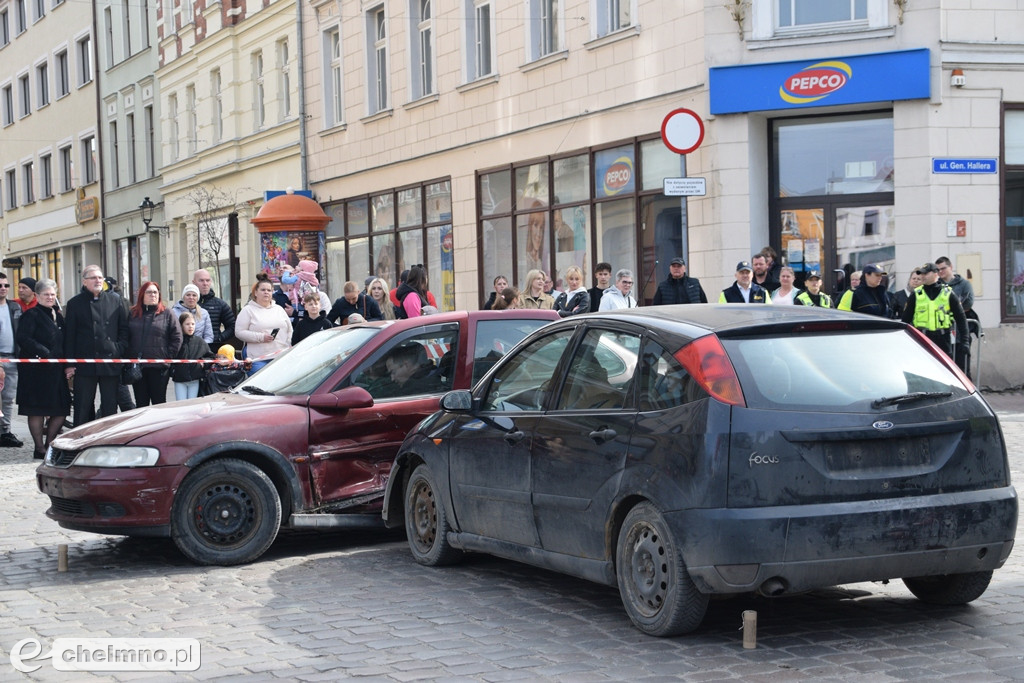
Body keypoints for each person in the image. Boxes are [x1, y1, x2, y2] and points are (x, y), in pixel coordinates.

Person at [63, 265, 130, 426]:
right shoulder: (74, 303)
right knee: (83, 406)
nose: (98, 280)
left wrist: (118, 348)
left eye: (100, 277)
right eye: (93, 277)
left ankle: (108, 439)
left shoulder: (116, 300)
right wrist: (69, 364)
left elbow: (124, 329)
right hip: (85, 362)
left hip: (109, 360)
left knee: (109, 407)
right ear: (85, 281)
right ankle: (80, 441)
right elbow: (69, 336)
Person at [15, 279, 70, 459]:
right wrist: (45, 353)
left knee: (61, 408)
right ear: (37, 296)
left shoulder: (58, 315)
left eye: (53, 294)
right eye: (46, 294)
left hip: (56, 371)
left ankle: (50, 445)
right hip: (35, 371)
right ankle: (39, 448)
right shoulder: (31, 315)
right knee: (36, 409)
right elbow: (24, 338)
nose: (50, 297)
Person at [902, 262, 970, 369]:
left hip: (943, 339)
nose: (923, 276)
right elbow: (905, 320)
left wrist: (965, 341)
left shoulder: (948, 294)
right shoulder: (916, 294)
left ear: (935, 274)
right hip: (922, 338)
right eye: (921, 274)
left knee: (945, 370)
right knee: (924, 370)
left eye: (926, 273)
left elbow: (961, 319)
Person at [127, 281, 183, 407]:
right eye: (149, 292)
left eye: (155, 292)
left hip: (159, 368)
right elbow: (126, 336)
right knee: (141, 404)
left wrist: (167, 357)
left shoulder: (167, 313)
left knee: (159, 403)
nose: (153, 295)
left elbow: (177, 337)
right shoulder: (133, 314)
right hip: (138, 367)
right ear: (142, 295)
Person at [235, 274, 293, 373]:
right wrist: (261, 337)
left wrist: (288, 345)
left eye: (269, 290)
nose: (266, 292)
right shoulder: (248, 310)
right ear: (256, 293)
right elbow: (239, 332)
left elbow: (289, 330)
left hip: (280, 356)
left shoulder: (279, 309)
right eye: (263, 290)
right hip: (258, 358)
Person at [0, 272, 23, 447]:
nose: (3, 288)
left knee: (8, 399)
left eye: (6, 285)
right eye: (0, 285)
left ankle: (5, 432)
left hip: (12, 359)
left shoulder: (14, 307)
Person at [172, 312, 213, 401]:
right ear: (181, 325)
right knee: (181, 404)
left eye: (193, 324)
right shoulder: (177, 341)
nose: (190, 326)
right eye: (187, 324)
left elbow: (211, 357)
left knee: (192, 404)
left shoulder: (200, 342)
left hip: (195, 380)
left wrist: (203, 363)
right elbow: (170, 357)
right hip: (180, 380)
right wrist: (173, 371)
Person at [193, 269, 236, 346]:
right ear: (194, 282)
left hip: (212, 348)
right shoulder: (185, 304)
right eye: (201, 280)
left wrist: (219, 338)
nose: (205, 283)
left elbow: (233, 327)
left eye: (207, 280)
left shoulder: (220, 304)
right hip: (191, 348)